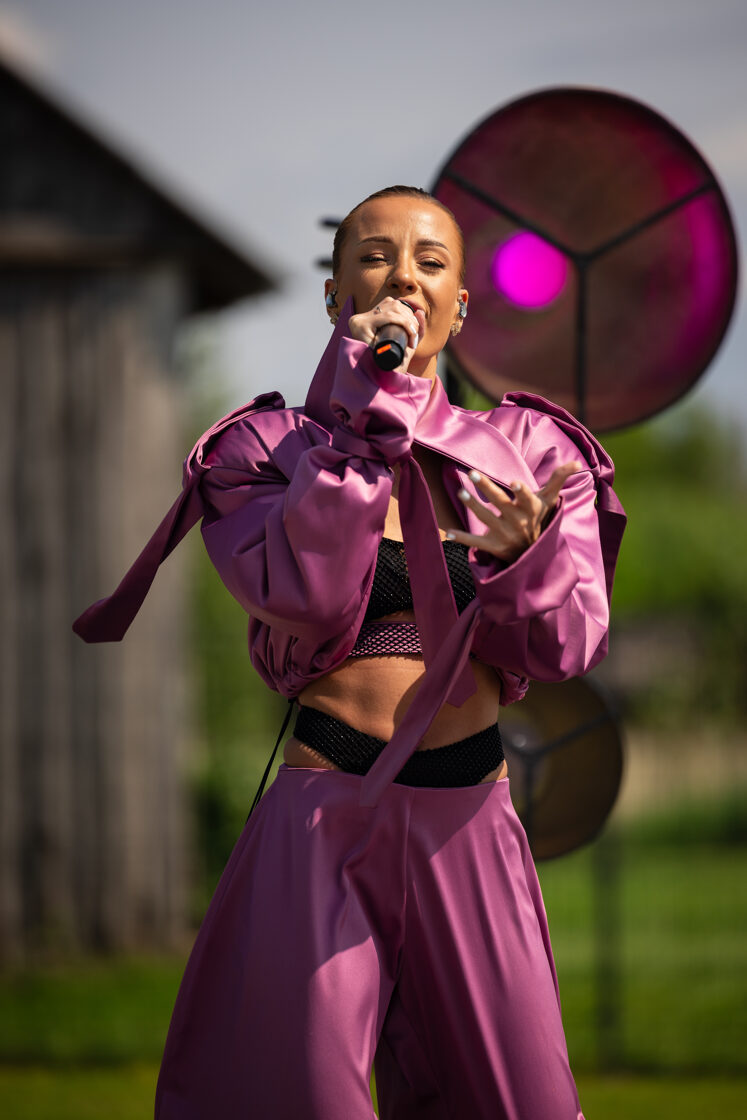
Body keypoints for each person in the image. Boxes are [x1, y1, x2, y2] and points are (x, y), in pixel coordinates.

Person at [74, 185, 626, 1119]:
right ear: (335, 297)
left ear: (459, 307)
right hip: (323, 811)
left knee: (519, 1101)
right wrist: (367, 426)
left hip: (468, 817)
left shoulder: (532, 453)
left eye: (430, 262)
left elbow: (567, 645)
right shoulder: (264, 450)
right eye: (374, 256)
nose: (402, 277)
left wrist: (527, 558)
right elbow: (309, 596)